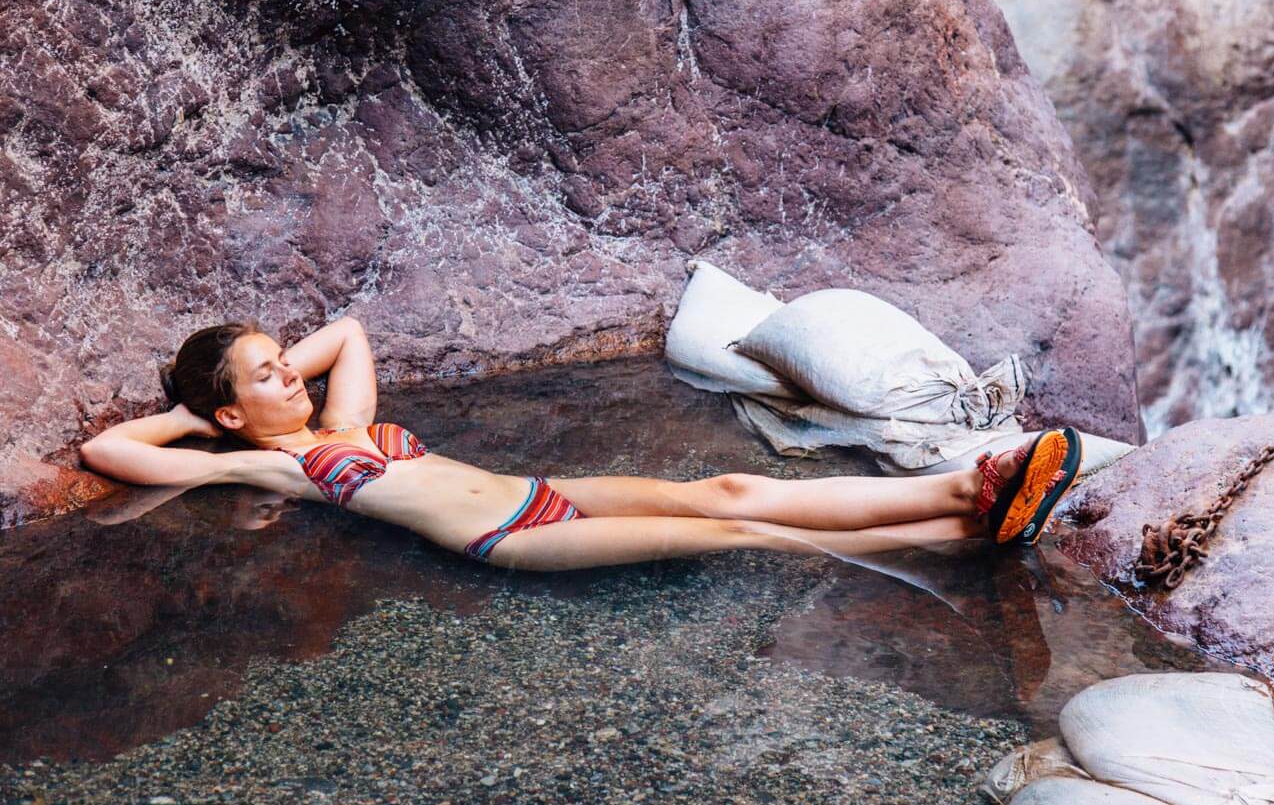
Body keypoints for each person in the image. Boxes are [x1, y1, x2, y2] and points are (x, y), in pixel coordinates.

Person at [79, 317, 1082, 572]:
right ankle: (961, 528)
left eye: (277, 356)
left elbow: (345, 328)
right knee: (743, 540)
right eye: (263, 375)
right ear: (225, 418)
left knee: (733, 485)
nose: (287, 372)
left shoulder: (337, 422)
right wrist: (201, 412)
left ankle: (961, 491)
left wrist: (261, 377)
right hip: (512, 540)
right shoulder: (273, 462)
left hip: (544, 485)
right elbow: (113, 452)